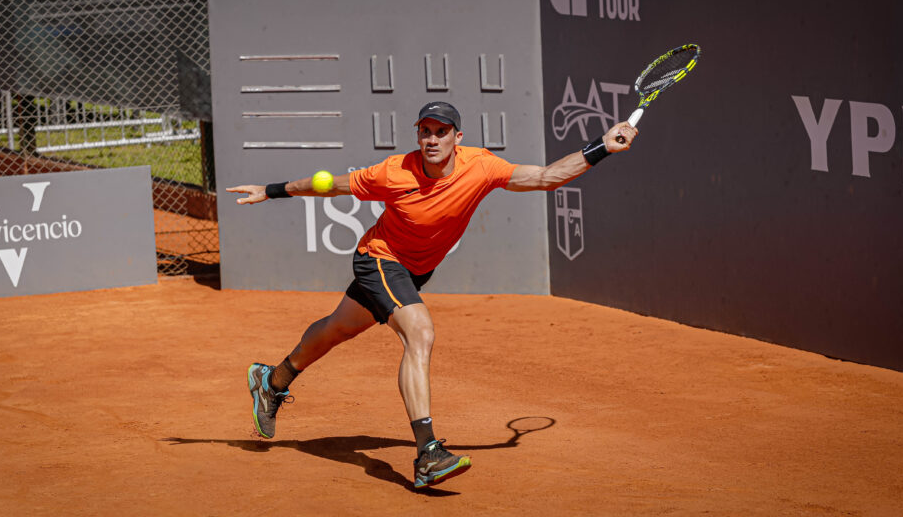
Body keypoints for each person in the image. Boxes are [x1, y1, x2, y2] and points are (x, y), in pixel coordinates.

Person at [226, 101, 637, 489]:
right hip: (380, 260)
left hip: (415, 270)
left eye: (442, 132)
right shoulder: (394, 172)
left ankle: (271, 379)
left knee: (337, 330)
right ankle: (427, 454)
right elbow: (330, 185)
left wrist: (602, 146)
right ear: (418, 135)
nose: (433, 139)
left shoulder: (481, 166)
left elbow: (546, 176)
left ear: (458, 137)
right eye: (425, 131)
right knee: (420, 332)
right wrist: (271, 189)